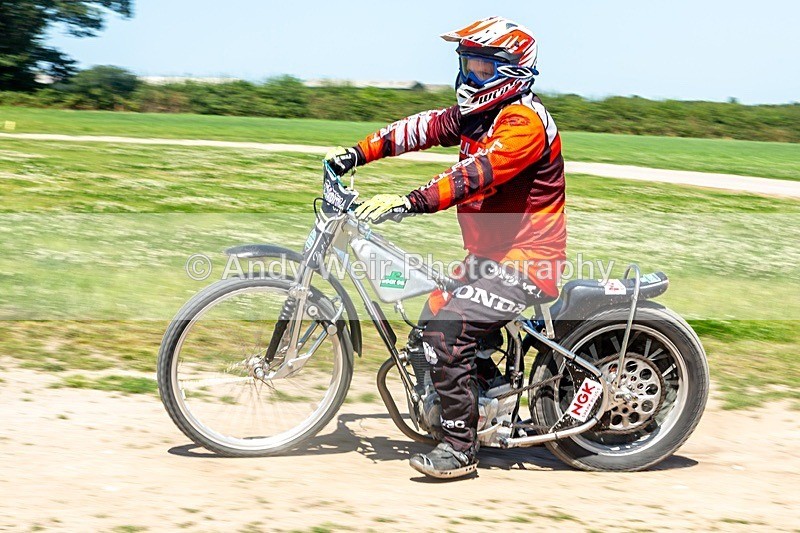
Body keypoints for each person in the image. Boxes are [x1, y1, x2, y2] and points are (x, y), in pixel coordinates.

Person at [325, 16, 567, 479]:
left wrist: (407, 201)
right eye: (467, 63)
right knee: (427, 323)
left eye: (480, 66)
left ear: (510, 71)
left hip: (526, 263)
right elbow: (421, 128)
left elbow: (472, 175)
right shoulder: (480, 113)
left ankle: (460, 449)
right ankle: (481, 395)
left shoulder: (523, 123)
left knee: (445, 336)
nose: (468, 74)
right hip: (487, 261)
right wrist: (355, 154)